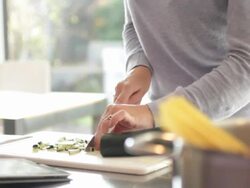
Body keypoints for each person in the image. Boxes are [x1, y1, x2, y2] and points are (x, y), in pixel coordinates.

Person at [94, 0, 250, 149]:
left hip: (233, 138)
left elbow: (246, 66)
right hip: (164, 134)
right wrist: (139, 67)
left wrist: (154, 113)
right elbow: (133, 24)